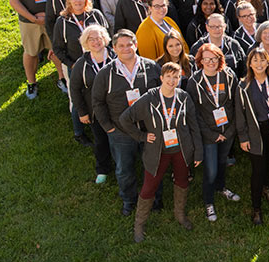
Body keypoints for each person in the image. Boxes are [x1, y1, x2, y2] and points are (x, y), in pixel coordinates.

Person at [119, 61, 202, 242]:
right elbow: (125, 118)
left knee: (182, 181)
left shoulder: (184, 97)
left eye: (176, 77)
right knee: (149, 186)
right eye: (169, 77)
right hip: (157, 151)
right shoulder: (150, 98)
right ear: (161, 78)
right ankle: (139, 225)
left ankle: (179, 215)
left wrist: (198, 152)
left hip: (181, 149)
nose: (172, 81)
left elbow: (194, 126)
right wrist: (141, 136)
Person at [91, 30, 162, 215]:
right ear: (114, 48)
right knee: (124, 170)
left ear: (136, 45)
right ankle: (129, 201)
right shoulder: (105, 74)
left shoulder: (152, 67)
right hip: (121, 132)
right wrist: (108, 128)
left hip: (149, 130)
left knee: (152, 166)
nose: (126, 48)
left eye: (129, 44)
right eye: (121, 46)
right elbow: (97, 102)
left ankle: (154, 198)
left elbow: (163, 95)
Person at [190, 44, 242, 222]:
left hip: (228, 130)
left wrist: (230, 129)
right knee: (210, 170)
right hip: (208, 135)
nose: (211, 62)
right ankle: (209, 201)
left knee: (222, 162)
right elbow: (194, 114)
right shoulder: (194, 81)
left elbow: (237, 103)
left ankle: (221, 188)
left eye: (214, 58)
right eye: (206, 59)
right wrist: (212, 135)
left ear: (220, 59)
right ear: (200, 61)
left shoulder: (228, 75)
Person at [238, 47, 269, 225]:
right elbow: (240, 114)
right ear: (249, 64)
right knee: (258, 169)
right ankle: (256, 208)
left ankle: (267, 188)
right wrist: (243, 137)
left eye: (262, 60)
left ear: (268, 61)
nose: (259, 64)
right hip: (255, 132)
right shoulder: (243, 86)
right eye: (255, 61)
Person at [8, 0, 62, 99]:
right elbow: (14, 1)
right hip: (29, 22)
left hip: (52, 19)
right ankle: (31, 83)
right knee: (30, 52)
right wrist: (32, 18)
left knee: (58, 50)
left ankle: (62, 79)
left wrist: (51, 14)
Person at [69, 24, 116, 184]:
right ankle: (103, 169)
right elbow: (74, 89)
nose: (96, 42)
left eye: (99, 38)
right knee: (101, 140)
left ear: (105, 39)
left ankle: (124, 164)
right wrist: (82, 112)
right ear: (85, 43)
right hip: (96, 111)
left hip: (118, 108)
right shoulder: (82, 64)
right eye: (91, 39)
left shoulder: (116, 57)